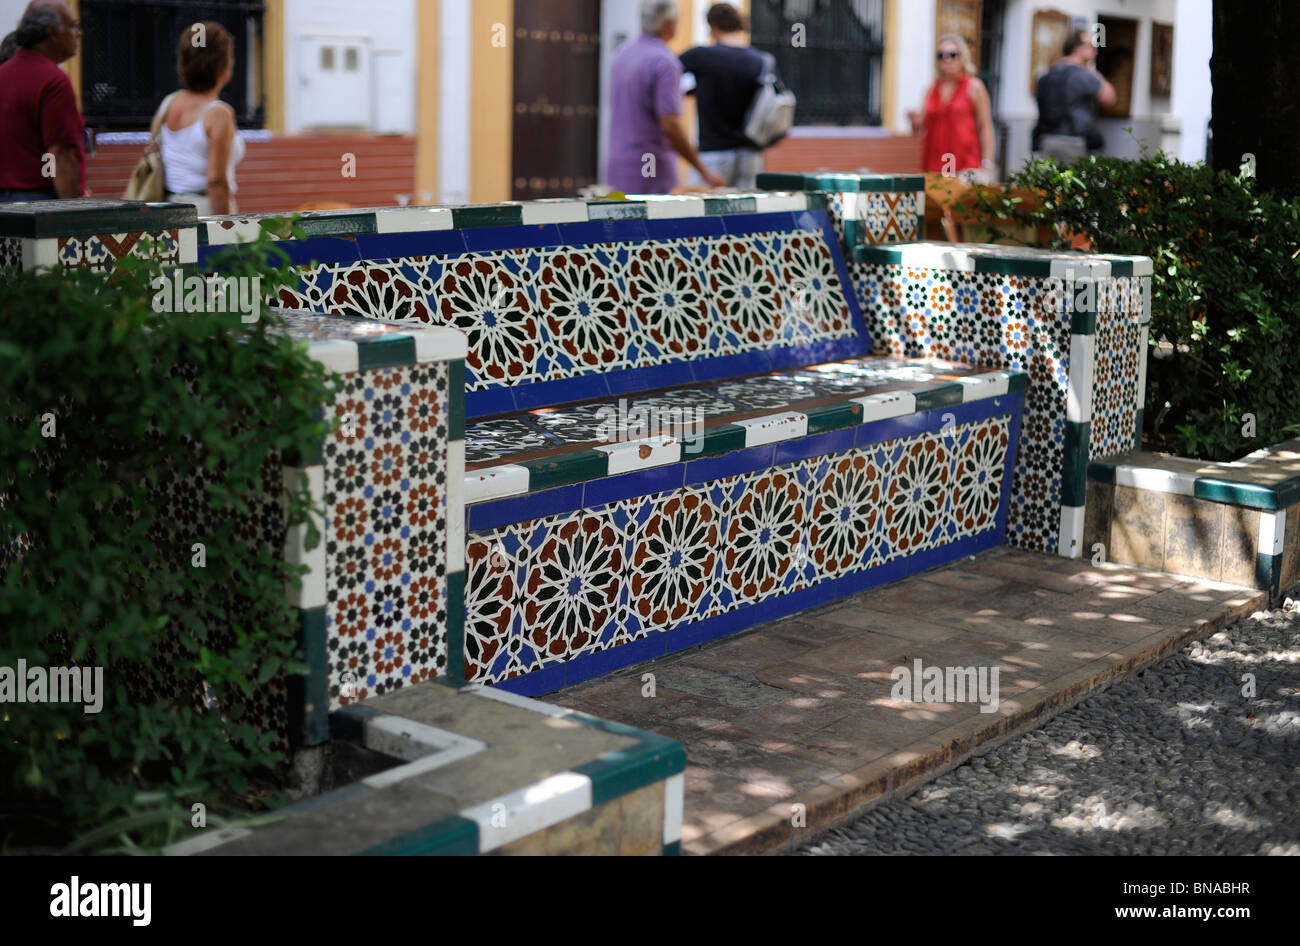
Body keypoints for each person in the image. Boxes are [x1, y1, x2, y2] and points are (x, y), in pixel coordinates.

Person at [607, 0, 725, 194]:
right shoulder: (664, 61)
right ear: (669, 23)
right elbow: (669, 124)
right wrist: (703, 170)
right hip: (652, 166)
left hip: (620, 164)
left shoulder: (622, 53)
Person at [153, 21, 245, 216]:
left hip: (166, 209)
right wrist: (226, 227)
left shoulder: (168, 103)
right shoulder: (218, 113)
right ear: (222, 66)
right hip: (204, 211)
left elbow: (154, 153)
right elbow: (216, 181)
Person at [0, 0, 86, 202]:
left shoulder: (3, 74)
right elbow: (59, 154)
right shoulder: (53, 81)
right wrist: (71, 211)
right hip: (37, 201)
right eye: (73, 26)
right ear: (52, 33)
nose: (78, 33)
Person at [679, 3, 769, 190]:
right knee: (747, 213)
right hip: (750, 155)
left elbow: (667, 74)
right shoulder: (761, 60)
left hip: (713, 154)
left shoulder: (701, 56)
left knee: (698, 212)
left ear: (713, 25)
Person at [907, 34, 995, 184]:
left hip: (965, 164)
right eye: (942, 56)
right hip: (934, 164)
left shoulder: (974, 87)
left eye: (952, 55)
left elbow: (986, 127)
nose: (947, 60)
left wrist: (987, 164)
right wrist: (914, 121)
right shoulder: (931, 89)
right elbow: (920, 129)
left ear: (962, 58)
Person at [1032, 29, 1118, 163]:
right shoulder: (1084, 75)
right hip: (1075, 141)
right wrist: (1091, 70)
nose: (1095, 51)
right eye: (1091, 46)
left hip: (1046, 140)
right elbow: (1109, 98)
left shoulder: (1047, 75)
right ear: (1078, 49)